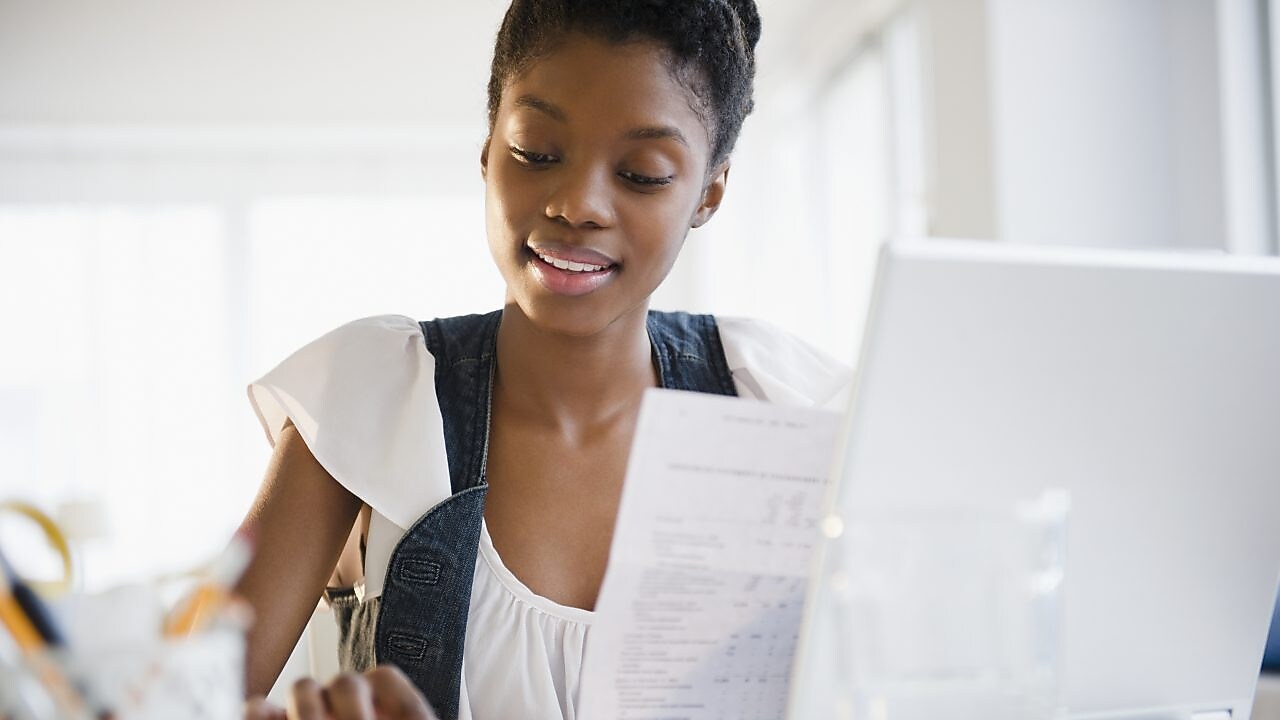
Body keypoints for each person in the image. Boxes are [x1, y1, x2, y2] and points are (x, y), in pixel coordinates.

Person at [234, 1, 850, 718]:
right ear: (489, 149)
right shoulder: (367, 408)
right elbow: (172, 701)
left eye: (643, 174)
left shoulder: (780, 409)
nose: (577, 203)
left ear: (708, 193)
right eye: (536, 151)